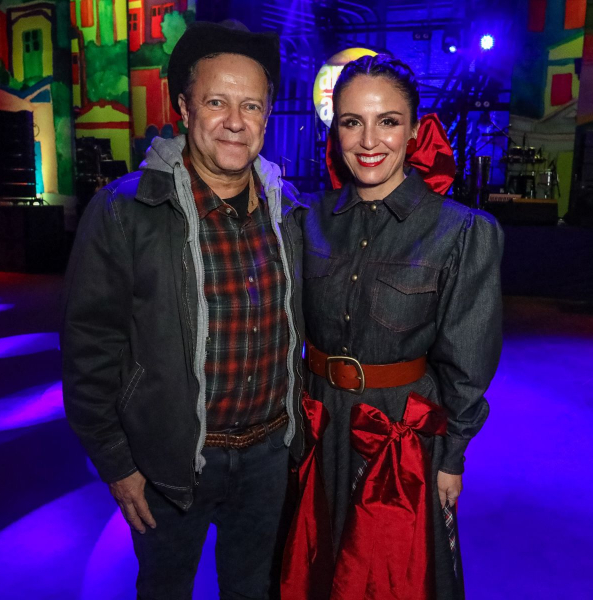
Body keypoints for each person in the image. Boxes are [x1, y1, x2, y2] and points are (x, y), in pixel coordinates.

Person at [62, 20, 307, 600]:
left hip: (269, 457)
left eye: (251, 105)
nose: (235, 121)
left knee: (254, 590)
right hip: (170, 464)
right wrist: (117, 464)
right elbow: (89, 349)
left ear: (267, 116)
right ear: (183, 107)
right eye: (216, 102)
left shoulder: (289, 211)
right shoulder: (126, 212)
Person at [294, 54, 503, 599]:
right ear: (336, 130)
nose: (369, 140)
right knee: (314, 570)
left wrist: (451, 457)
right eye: (352, 122)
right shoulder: (305, 220)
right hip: (316, 429)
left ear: (413, 130)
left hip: (401, 440)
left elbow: (467, 362)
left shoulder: (460, 231)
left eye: (388, 121)